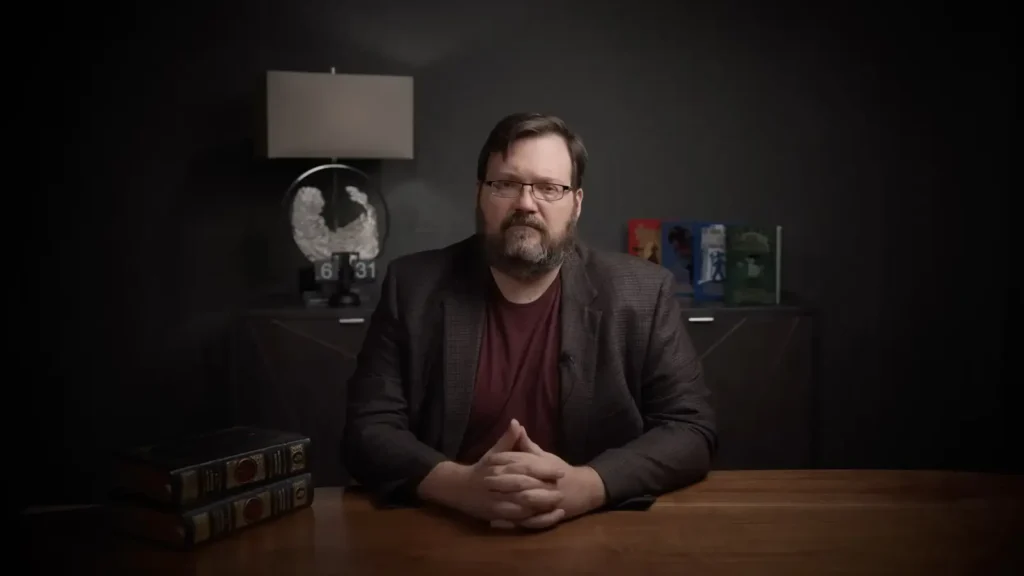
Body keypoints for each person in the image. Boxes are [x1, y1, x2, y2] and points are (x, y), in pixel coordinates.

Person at [344, 112, 717, 530]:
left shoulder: (645, 293)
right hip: (446, 527)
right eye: (505, 184)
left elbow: (690, 429)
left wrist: (588, 486)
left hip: (598, 532)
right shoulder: (412, 286)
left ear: (576, 203)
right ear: (480, 194)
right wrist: (458, 486)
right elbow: (367, 430)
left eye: (549, 188)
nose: (526, 203)